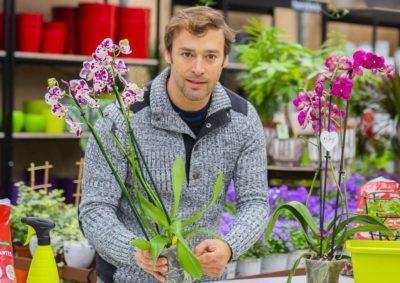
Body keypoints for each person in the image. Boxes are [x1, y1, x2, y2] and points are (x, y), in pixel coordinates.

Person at [79, 6, 269, 283]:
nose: (198, 68)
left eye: (210, 56)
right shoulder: (121, 118)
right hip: (127, 278)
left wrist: (230, 247)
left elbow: (255, 202)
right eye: (187, 54)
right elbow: (94, 210)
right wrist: (134, 250)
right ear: (168, 54)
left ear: (225, 59)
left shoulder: (243, 119)